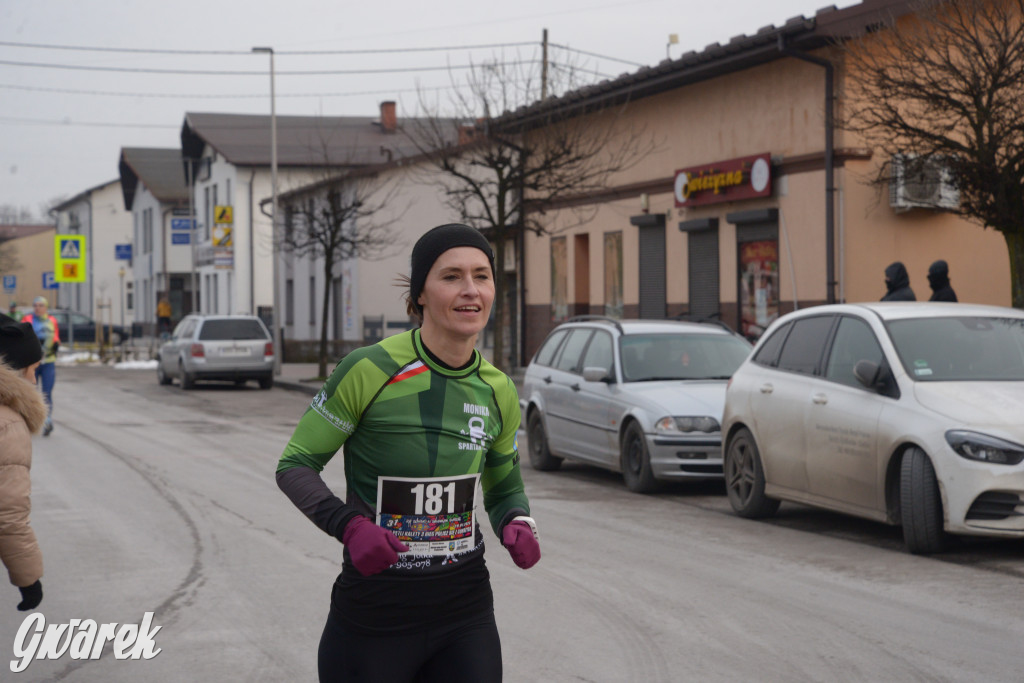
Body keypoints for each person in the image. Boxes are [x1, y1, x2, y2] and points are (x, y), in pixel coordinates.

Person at [276, 223, 540, 683]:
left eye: (482, 276)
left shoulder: (497, 389)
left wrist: (516, 519)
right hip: (376, 614)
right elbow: (295, 465)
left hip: (466, 609)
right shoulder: (368, 368)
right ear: (420, 293)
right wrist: (349, 526)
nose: (470, 290)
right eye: (452, 276)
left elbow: (503, 485)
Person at [0, 313, 46, 612]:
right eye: (32, 370)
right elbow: (7, 511)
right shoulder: (7, 422)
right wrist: (29, 580)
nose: (33, 379)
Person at [20, 296, 59, 436]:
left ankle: (47, 420)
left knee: (47, 393)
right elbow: (21, 337)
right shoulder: (27, 320)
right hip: (32, 364)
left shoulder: (52, 320)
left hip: (48, 362)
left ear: (46, 307)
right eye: (35, 305)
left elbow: (56, 336)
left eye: (41, 305)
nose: (37, 308)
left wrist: (56, 344)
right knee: (31, 393)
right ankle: (30, 421)